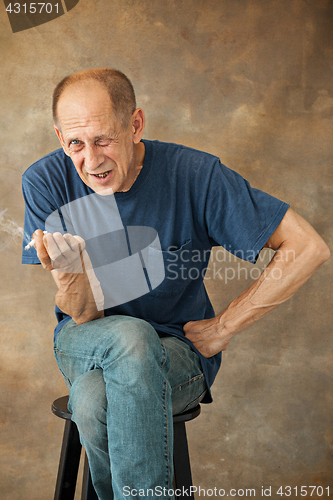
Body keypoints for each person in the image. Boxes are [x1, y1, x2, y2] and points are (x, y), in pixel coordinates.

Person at [21, 68, 330, 500]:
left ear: (135, 125)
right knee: (129, 336)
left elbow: (308, 247)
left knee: (93, 399)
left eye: (104, 139)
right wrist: (71, 271)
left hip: (177, 349)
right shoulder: (45, 181)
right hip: (85, 339)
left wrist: (224, 326)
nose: (91, 160)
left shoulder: (195, 174)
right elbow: (83, 315)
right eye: (76, 143)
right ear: (60, 137)